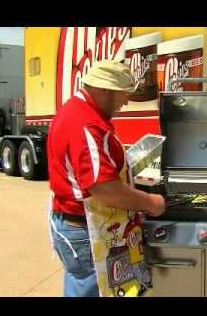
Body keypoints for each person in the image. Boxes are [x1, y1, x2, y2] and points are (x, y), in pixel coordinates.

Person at [47, 60, 165, 297]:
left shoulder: (75, 110)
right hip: (84, 230)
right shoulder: (87, 124)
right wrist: (151, 203)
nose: (126, 101)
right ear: (103, 90)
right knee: (89, 288)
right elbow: (104, 189)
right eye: (123, 94)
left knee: (80, 284)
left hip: (70, 223)